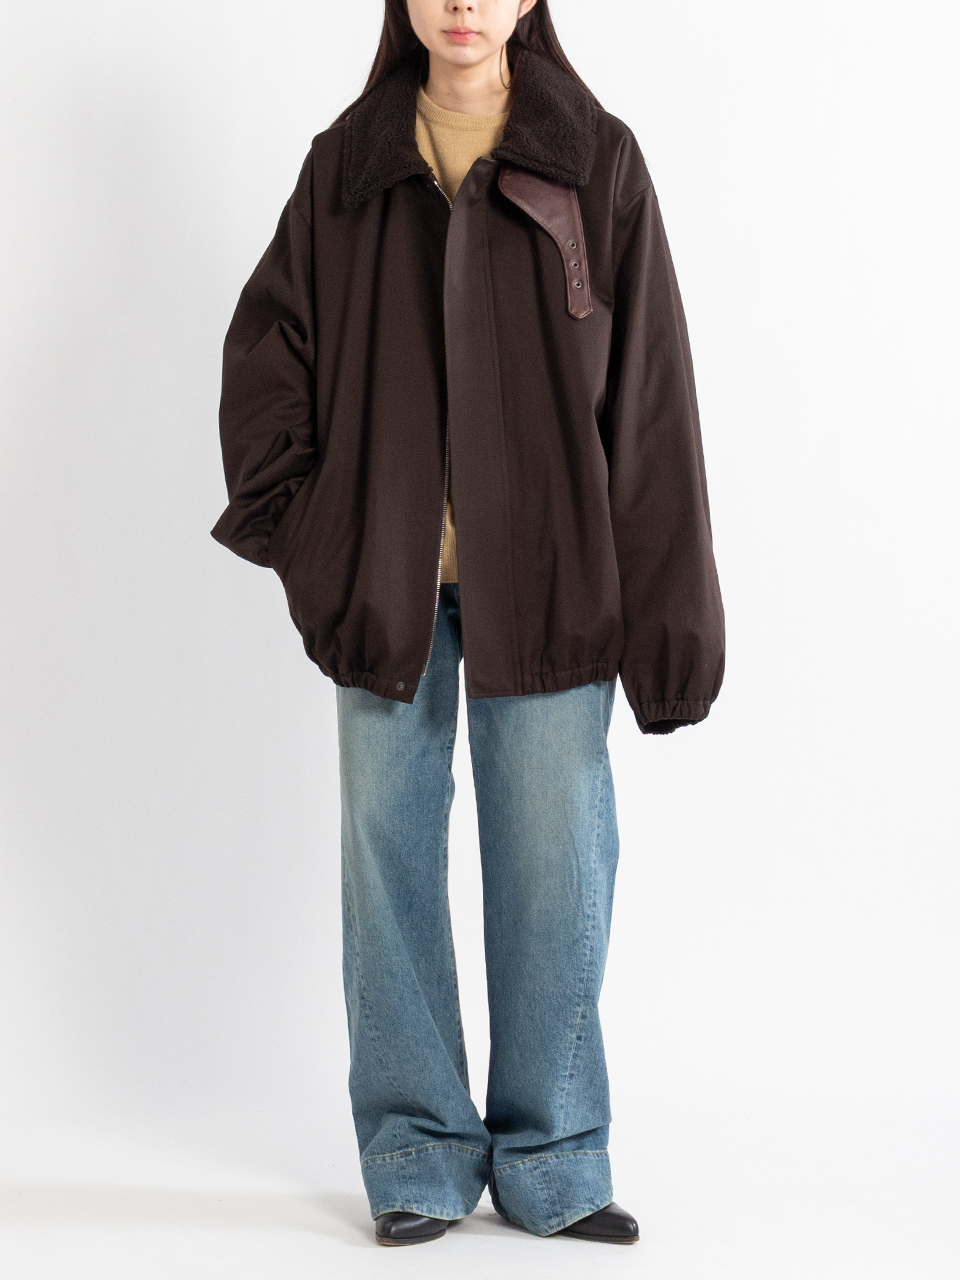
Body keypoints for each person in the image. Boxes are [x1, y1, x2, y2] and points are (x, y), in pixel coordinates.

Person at [211, 0, 724, 1249]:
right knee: (385, 865)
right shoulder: (347, 167)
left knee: (558, 864)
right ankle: (416, 1151)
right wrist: (317, 535)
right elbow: (266, 358)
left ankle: (554, 1156)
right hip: (384, 587)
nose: (461, 3)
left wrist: (670, 624)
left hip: (548, 583)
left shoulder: (594, 159)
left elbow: (650, 398)